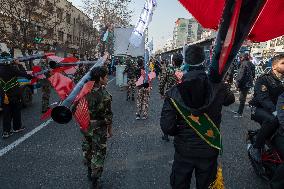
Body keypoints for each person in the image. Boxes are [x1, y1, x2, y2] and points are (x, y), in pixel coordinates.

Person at [160, 45, 235, 189]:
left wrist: (180, 133)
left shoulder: (174, 92)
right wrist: (220, 80)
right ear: (205, 60)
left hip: (184, 149)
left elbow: (167, 127)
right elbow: (230, 100)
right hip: (209, 148)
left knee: (180, 184)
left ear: (185, 62)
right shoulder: (218, 87)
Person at [81, 66, 113, 188]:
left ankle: (89, 172)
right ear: (100, 79)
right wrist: (110, 129)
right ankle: (95, 179)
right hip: (99, 128)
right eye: (105, 76)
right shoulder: (105, 95)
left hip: (85, 126)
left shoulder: (84, 91)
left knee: (87, 149)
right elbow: (108, 115)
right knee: (98, 153)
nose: (107, 78)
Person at [249, 54, 284, 162]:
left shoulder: (282, 81)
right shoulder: (264, 79)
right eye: (283, 63)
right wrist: (275, 112)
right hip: (258, 108)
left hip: (277, 109)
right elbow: (263, 99)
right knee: (273, 120)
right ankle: (256, 148)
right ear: (274, 66)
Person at [0, 59, 34, 138]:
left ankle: (6, 132)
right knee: (16, 111)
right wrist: (19, 64)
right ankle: (17, 128)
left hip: (4, 96)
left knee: (6, 114)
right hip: (14, 95)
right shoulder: (12, 69)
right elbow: (25, 75)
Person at [159, 53, 183, 142]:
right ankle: (179, 134)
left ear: (172, 62)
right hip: (180, 96)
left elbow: (162, 83)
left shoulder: (168, 70)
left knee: (167, 114)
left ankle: (166, 135)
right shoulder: (182, 71)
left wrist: (161, 93)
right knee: (180, 115)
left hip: (169, 96)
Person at [233, 53, 255, 117]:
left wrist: (237, 85)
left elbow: (240, 75)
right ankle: (239, 111)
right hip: (247, 84)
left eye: (240, 57)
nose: (239, 59)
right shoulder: (251, 63)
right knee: (242, 98)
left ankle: (240, 113)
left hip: (243, 84)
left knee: (242, 99)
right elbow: (253, 75)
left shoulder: (243, 64)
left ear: (243, 58)